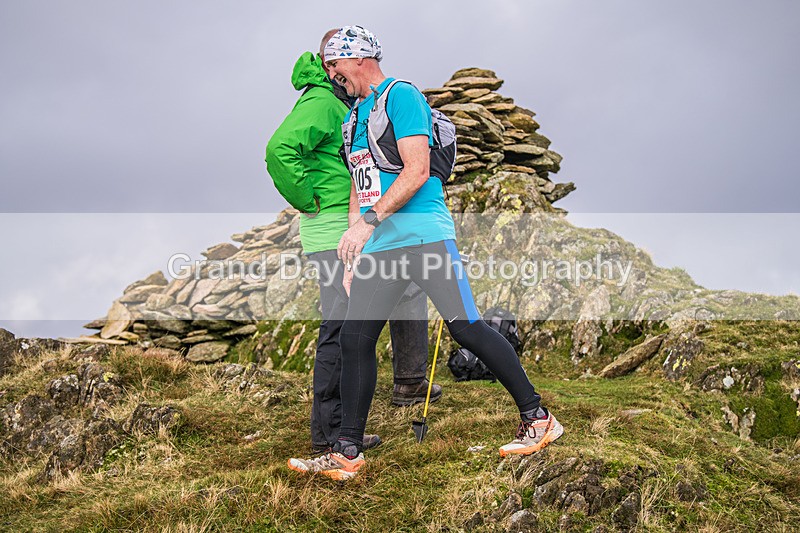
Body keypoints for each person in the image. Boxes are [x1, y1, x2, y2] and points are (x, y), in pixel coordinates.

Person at [288, 25, 563, 480]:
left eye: (336, 67)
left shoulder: (403, 97)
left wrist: (369, 223)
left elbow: (415, 171)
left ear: (357, 57)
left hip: (425, 238)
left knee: (467, 329)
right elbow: (362, 186)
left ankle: (538, 419)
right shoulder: (354, 116)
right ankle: (346, 452)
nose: (334, 77)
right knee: (356, 339)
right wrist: (359, 239)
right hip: (382, 246)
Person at [265, 30, 441, 453]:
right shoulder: (323, 101)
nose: (336, 71)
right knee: (340, 329)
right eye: (332, 64)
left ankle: (351, 423)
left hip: (354, 229)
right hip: (334, 233)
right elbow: (277, 150)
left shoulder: (348, 103)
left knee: (357, 324)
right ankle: (329, 437)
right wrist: (312, 200)